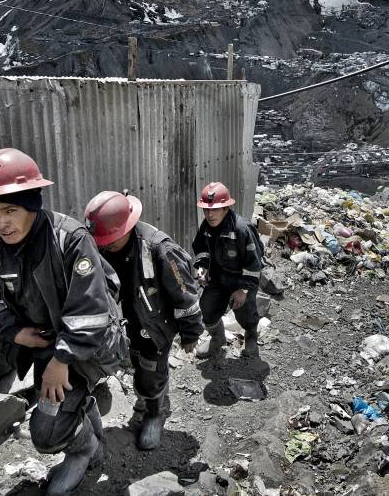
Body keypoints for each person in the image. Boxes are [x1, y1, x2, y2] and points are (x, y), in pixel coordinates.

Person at [0, 148, 127, 496]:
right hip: (45, 349)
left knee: (44, 434)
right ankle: (86, 439)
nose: (1, 223)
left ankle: (83, 441)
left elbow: (92, 310)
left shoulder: (69, 239)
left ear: (33, 205)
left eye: (11, 210)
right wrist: (14, 333)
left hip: (88, 348)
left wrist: (61, 360)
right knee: (50, 426)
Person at [85, 190, 203, 450]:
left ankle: (154, 413)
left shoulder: (159, 249)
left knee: (150, 369)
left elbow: (185, 295)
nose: (104, 245)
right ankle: (150, 397)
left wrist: (191, 334)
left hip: (154, 325)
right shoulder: (102, 245)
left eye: (109, 240)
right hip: (126, 320)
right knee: (138, 365)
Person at [191, 181, 264, 360]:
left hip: (241, 279)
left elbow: (254, 266)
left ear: (225, 208)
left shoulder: (241, 229)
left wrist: (243, 290)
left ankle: (251, 337)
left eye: (215, 209)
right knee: (206, 310)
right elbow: (201, 249)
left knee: (245, 310)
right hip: (217, 278)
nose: (209, 214)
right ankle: (218, 339)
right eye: (206, 210)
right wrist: (202, 270)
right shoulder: (206, 226)